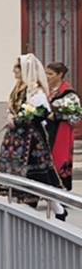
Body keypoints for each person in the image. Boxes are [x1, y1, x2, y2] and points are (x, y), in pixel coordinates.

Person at [0, 54, 66, 213]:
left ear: (25, 69)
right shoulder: (18, 88)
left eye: (17, 67)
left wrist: (22, 118)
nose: (14, 70)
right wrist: (10, 116)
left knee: (37, 174)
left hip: (31, 138)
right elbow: (12, 107)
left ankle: (57, 210)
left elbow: (42, 112)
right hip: (16, 137)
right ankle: (18, 207)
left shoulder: (35, 91)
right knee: (16, 172)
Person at [46, 61, 80, 193]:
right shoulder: (46, 91)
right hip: (47, 130)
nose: (47, 76)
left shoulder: (68, 93)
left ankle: (61, 190)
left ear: (60, 75)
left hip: (62, 131)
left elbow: (76, 116)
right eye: (46, 73)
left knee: (60, 158)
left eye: (50, 74)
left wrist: (57, 116)